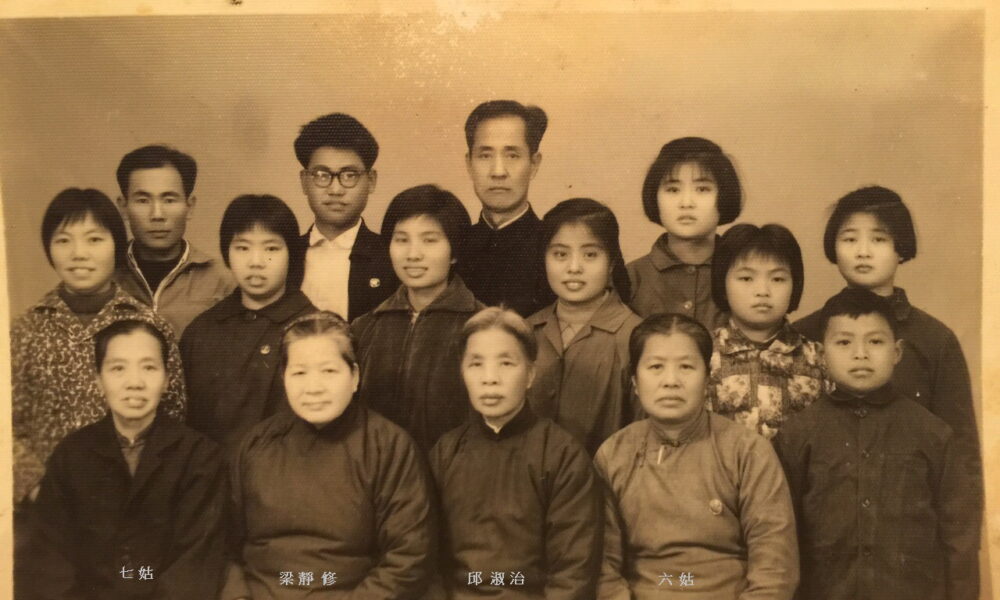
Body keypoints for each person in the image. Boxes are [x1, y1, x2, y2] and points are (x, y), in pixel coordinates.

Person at [792, 186, 982, 522]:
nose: (863, 252)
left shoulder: (935, 340)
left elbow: (961, 454)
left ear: (901, 249)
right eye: (850, 239)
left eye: (879, 239)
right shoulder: (804, 334)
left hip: (909, 522)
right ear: (834, 247)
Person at [775, 288, 979, 600]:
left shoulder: (933, 434)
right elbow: (780, 536)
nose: (861, 354)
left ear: (897, 352)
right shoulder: (797, 435)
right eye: (844, 342)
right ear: (821, 353)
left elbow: (959, 536)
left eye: (875, 341)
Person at [223, 312, 436, 599]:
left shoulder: (389, 446)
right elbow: (225, 546)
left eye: (329, 371)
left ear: (355, 376)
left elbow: (408, 556)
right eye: (299, 373)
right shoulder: (256, 445)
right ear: (283, 377)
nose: (314, 388)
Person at [19, 320, 227, 599]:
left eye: (149, 367)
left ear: (167, 379)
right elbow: (49, 561)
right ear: (98, 380)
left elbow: (194, 565)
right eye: (118, 368)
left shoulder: (201, 457)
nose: (134, 383)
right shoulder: (71, 455)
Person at [596, 313, 798, 600]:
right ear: (635, 382)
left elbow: (775, 568)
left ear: (707, 379)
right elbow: (603, 567)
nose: (671, 381)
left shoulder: (748, 451)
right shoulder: (614, 454)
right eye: (655, 367)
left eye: (686, 367)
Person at [12, 188, 186, 505]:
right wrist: (40, 489)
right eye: (64, 240)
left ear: (117, 245)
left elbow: (173, 419)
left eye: (94, 239)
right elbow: (6, 428)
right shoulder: (24, 330)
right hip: (49, 507)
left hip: (136, 503)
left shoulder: (150, 326)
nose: (79, 253)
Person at [429, 307, 602, 598]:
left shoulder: (562, 455)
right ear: (462, 372)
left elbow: (573, 572)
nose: (490, 378)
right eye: (476, 364)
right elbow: (424, 557)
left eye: (506, 363)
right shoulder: (445, 453)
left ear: (531, 374)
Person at [352, 184, 483, 451]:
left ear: (455, 252)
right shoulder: (363, 328)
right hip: (376, 472)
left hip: (457, 472)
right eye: (402, 239)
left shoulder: (484, 327)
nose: (413, 254)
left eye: (429, 240)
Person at [181, 194, 315, 454]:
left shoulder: (315, 329)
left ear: (291, 254)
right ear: (227, 253)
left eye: (271, 249)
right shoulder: (201, 330)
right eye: (242, 248)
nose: (256, 262)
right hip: (206, 474)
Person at [527, 198, 643, 454]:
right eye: (560, 254)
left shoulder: (636, 336)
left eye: (590, 255)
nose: (574, 268)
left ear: (612, 262)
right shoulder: (525, 331)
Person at [707, 223, 828, 439]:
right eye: (746, 278)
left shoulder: (819, 359)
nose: (762, 291)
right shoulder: (702, 355)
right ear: (722, 284)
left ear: (795, 285)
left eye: (777, 279)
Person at [115, 144, 235, 335]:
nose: (157, 215)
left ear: (190, 206)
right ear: (123, 207)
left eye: (169, 200)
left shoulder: (223, 281)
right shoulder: (105, 276)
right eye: (143, 200)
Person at [626, 137, 742, 332]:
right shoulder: (630, 278)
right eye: (673, 189)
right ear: (654, 197)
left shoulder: (745, 273)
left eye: (702, 189)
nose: (686, 203)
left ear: (725, 196)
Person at [294, 112, 398, 321]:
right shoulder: (286, 255)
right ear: (304, 181)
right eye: (322, 175)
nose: (335, 190)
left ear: (371, 181)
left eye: (349, 175)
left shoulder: (392, 257)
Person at [458, 100, 555, 317]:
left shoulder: (556, 247)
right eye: (485, 155)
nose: (498, 171)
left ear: (534, 164)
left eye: (512, 155)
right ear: (469, 164)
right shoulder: (453, 246)